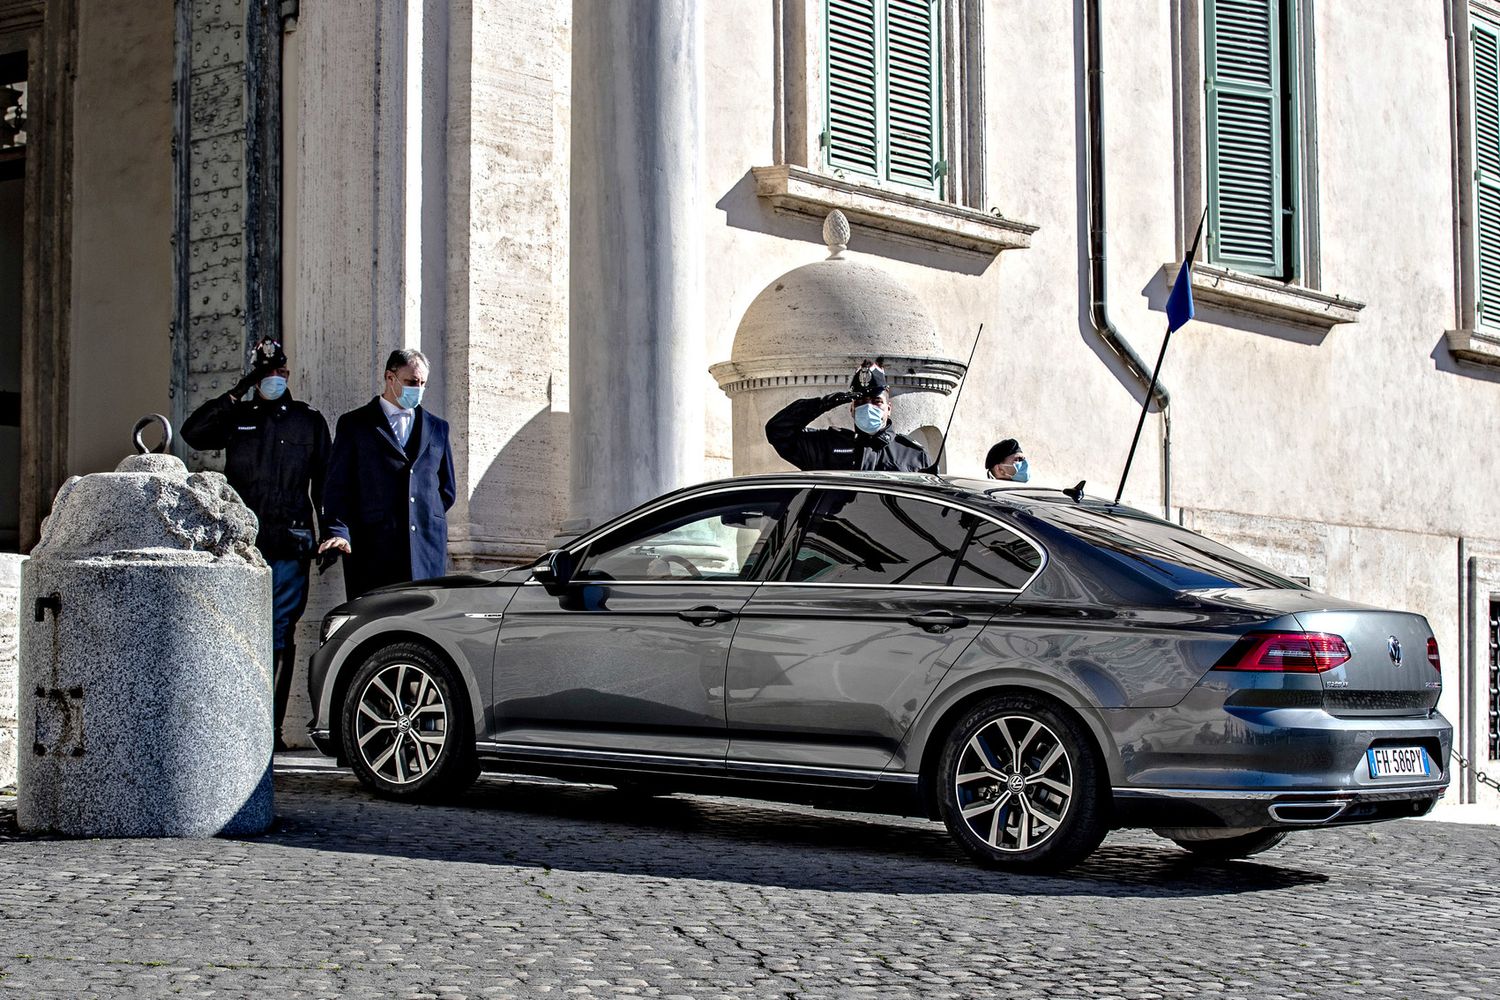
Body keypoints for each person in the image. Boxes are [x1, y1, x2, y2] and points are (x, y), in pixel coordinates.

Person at [180, 337, 332, 751]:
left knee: (280, 631)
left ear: (287, 375)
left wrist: (332, 532)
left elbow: (325, 484)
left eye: (279, 373)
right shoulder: (239, 416)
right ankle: (232, 726)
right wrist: (238, 390)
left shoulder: (308, 422)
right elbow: (193, 432)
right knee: (234, 631)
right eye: (265, 375)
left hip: (290, 542)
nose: (274, 380)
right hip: (241, 547)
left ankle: (270, 732)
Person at [319, 349, 456, 601]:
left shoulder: (438, 428)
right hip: (372, 546)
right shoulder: (354, 424)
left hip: (425, 548)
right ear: (390, 378)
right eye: (411, 382)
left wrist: (423, 516)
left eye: (423, 383)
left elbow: (446, 490)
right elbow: (337, 486)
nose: (418, 388)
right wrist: (338, 531)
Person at [766, 360, 932, 472]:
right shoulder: (828, 445)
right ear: (851, 409)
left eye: (876, 401)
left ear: (889, 408)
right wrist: (823, 403)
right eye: (860, 401)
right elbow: (778, 431)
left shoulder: (913, 455)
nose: (868, 407)